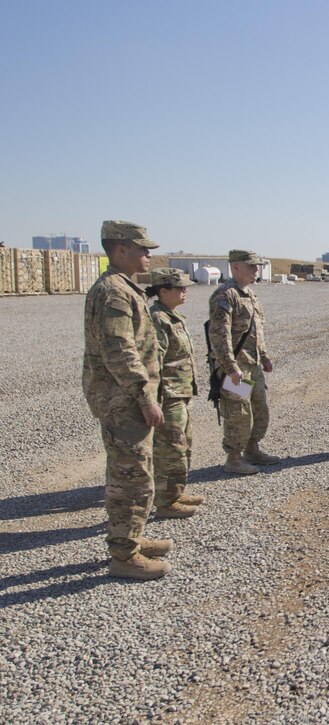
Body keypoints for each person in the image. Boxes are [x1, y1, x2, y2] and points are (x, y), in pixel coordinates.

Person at [82, 221, 172, 580]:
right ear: (120, 250)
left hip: (126, 398)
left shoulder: (123, 288)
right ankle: (124, 554)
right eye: (142, 249)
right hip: (124, 400)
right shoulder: (114, 293)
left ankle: (131, 537)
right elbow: (120, 351)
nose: (148, 255)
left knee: (136, 472)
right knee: (130, 478)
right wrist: (144, 396)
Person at [207, 250, 281, 475]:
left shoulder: (251, 295)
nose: (256, 270)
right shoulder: (225, 295)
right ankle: (233, 458)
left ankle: (252, 449)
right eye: (251, 266)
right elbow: (219, 336)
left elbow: (258, 331)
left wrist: (265, 356)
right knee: (238, 413)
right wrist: (230, 368)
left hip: (253, 365)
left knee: (259, 410)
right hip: (236, 369)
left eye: (257, 266)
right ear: (236, 267)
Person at [146, 268, 204, 518]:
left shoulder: (173, 317)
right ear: (163, 291)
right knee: (171, 450)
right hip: (168, 396)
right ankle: (165, 501)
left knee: (184, 445)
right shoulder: (158, 319)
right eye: (180, 288)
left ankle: (176, 493)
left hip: (181, 393)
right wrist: (152, 399)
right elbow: (153, 362)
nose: (184, 292)